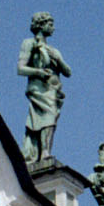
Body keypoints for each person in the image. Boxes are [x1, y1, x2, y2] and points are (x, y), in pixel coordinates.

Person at [18, 13, 71, 168]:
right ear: (41, 25)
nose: (53, 28)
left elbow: (68, 72)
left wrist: (58, 59)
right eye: (50, 24)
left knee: (50, 117)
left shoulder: (53, 50)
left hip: (53, 90)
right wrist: (38, 72)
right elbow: (20, 68)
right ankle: (45, 153)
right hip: (39, 88)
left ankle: (43, 151)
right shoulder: (29, 43)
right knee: (48, 116)